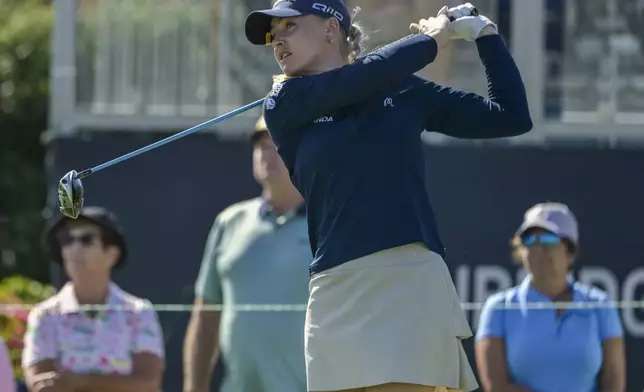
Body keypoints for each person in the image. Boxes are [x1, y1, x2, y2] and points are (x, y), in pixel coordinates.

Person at [242, 0, 533, 391]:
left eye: (289, 28)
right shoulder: (283, 102)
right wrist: (432, 39)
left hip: (408, 279)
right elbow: (366, 75)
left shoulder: (403, 89)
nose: (278, 42)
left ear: (331, 30)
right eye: (273, 36)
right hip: (335, 290)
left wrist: (485, 36)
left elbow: (510, 115)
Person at [182, 115, 310, 392]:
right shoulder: (230, 221)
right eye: (261, 145)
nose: (267, 154)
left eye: (277, 144)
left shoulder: (330, 223)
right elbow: (205, 319)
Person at [475, 202, 626, 392]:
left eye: (548, 239)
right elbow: (497, 387)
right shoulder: (498, 307)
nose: (538, 249)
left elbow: (613, 380)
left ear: (570, 251)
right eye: (530, 241)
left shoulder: (600, 304)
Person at [21, 206, 165, 392]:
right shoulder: (44, 315)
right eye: (67, 240)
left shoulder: (139, 313)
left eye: (86, 239)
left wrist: (78, 382)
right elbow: (40, 384)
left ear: (112, 254)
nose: (74, 248)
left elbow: (148, 384)